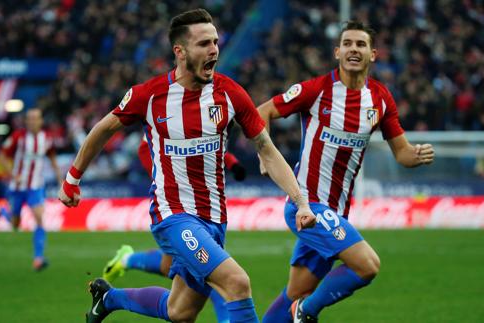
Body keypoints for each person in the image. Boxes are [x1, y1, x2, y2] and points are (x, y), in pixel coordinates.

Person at [58, 8, 316, 323]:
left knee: (180, 311)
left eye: (215, 42)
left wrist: (301, 200)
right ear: (180, 52)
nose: (214, 50)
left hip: (214, 219)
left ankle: (109, 298)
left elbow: (267, 150)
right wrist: (72, 178)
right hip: (173, 216)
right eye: (204, 44)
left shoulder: (230, 93)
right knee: (237, 283)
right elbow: (103, 129)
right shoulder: (150, 96)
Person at [258, 21, 435, 323]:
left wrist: (416, 155)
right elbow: (263, 111)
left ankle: (297, 309)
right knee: (367, 265)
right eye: (348, 44)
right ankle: (307, 313)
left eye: (361, 44)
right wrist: (265, 153)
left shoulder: (379, 99)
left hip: (336, 212)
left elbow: (401, 153)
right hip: (307, 206)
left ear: (373, 54)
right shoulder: (315, 90)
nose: (354, 49)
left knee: (294, 293)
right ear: (337, 51)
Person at [101, 137, 248, 323]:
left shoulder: (204, 120)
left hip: (194, 197)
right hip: (177, 200)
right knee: (216, 270)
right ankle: (226, 319)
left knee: (176, 294)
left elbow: (205, 144)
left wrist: (231, 162)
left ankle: (125, 262)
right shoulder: (168, 119)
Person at [0, 108, 63, 271]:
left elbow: (53, 158)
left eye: (36, 118)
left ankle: (38, 258)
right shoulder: (18, 137)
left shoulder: (46, 138)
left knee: (39, 218)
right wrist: (13, 175)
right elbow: (1, 156)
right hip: (17, 187)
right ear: (26, 121)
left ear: (41, 121)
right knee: (15, 224)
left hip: (36, 186)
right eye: (30, 119)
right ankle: (5, 213)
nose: (33, 121)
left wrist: (61, 180)